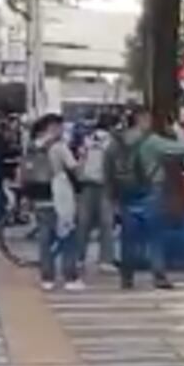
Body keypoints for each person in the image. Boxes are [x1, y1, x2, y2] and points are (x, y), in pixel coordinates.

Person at [106, 108, 184, 291]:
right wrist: (178, 129)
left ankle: (127, 278)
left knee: (128, 238)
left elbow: (108, 167)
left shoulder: (118, 141)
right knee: (155, 236)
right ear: (144, 120)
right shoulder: (152, 141)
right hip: (150, 191)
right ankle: (159, 275)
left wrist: (112, 195)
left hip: (126, 193)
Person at [24, 114, 82, 290]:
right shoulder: (59, 147)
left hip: (39, 196)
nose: (62, 130)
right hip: (59, 197)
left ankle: (47, 278)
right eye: (60, 127)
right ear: (53, 127)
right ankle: (69, 277)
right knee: (67, 236)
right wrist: (84, 158)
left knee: (45, 238)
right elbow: (75, 169)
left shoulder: (32, 146)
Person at [75, 115, 117, 273]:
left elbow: (80, 159)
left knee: (83, 224)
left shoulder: (87, 140)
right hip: (104, 185)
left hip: (86, 184)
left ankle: (79, 258)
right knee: (106, 224)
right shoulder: (112, 142)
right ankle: (105, 260)